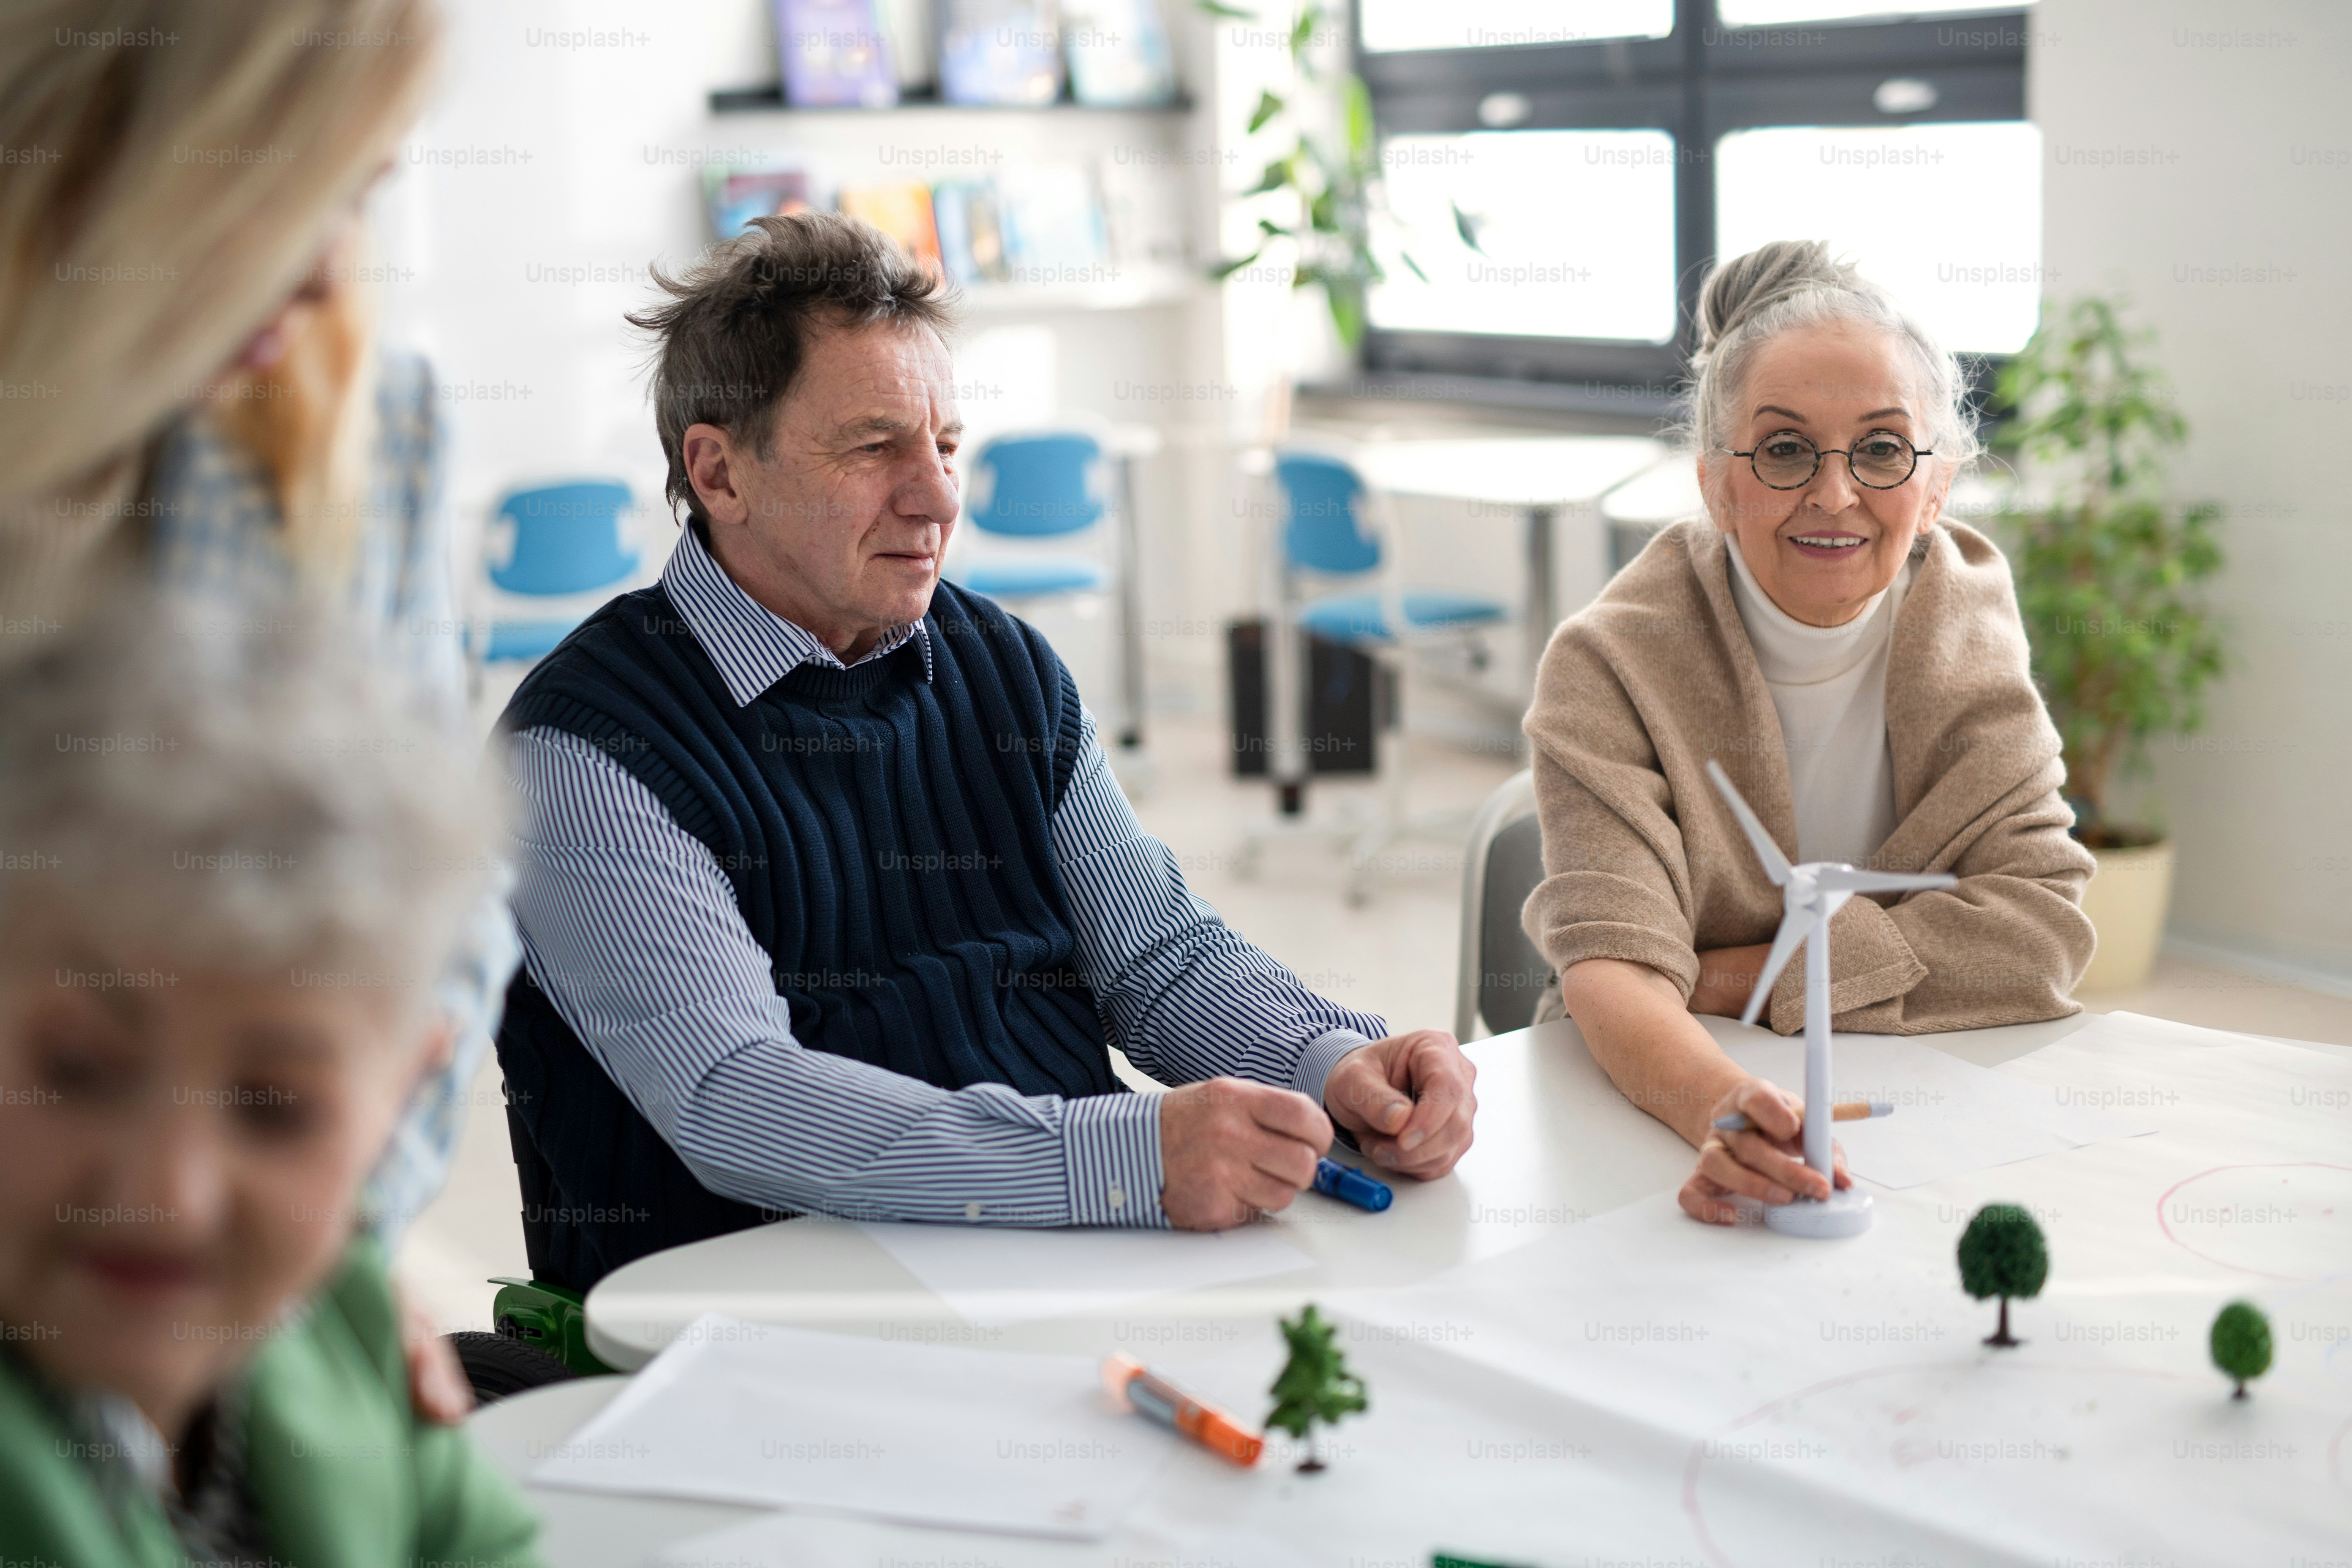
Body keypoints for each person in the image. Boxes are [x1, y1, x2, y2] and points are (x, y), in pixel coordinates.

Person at [496, 212, 1479, 1290]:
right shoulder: (584, 750)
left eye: (948, 445)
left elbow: (1156, 959)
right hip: (773, 1324)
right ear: (720, 474)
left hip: (1061, 1258)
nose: (939, 496)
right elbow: (738, 1097)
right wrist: (1123, 1158)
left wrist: (1334, 1063)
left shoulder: (1000, 663)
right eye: (875, 448)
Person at [0, 0, 498, 1416]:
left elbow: (437, 916)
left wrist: (304, 1248)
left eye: (358, 194)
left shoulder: (365, 424)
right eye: (278, 191)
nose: (320, 274)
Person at [1521, 240, 2095, 1228]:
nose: (1835, 494)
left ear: (1937, 487)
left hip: (1928, 1109)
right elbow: (1612, 972)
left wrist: (1722, 975)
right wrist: (1725, 1108)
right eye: (1785, 450)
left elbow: (2041, 930)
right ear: (1715, 482)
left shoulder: (1970, 625)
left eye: (1880, 449)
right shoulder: (1608, 663)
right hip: (1662, 1112)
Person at [0, 583, 538, 1566]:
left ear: (405, 1097)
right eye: (79, 1072)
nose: (167, 1195)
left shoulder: (341, 1322)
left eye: (276, 1108)